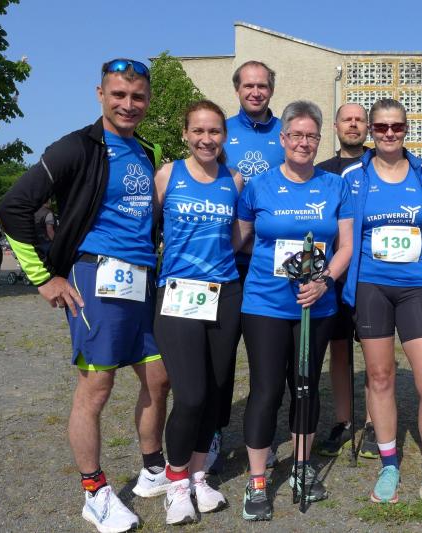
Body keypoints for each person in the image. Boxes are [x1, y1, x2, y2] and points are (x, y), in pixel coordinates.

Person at [0, 58, 170, 533]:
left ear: (147, 100)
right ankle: (94, 493)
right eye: (118, 95)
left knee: (158, 378)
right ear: (100, 95)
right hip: (96, 279)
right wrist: (44, 277)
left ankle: (153, 470)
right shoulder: (75, 147)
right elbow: (13, 207)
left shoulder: (147, 151)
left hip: (143, 280)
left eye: (137, 96)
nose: (128, 104)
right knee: (97, 387)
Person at [236, 100, 353, 521]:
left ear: (319, 140)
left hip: (316, 306)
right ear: (283, 139)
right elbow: (239, 240)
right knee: (266, 389)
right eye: (296, 135)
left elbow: (346, 246)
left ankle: (302, 467)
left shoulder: (335, 186)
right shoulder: (259, 186)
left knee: (305, 386)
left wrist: (324, 281)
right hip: (265, 304)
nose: (304, 143)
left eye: (311, 136)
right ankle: (258, 479)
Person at [341, 98, 422, 517]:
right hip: (371, 286)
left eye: (397, 126)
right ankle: (389, 464)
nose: (389, 133)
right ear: (371, 131)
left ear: (407, 129)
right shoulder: (354, 177)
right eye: (381, 127)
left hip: (414, 287)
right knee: (381, 376)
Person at [153, 100, 244, 525]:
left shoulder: (234, 180)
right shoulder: (167, 175)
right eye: (199, 131)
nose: (207, 139)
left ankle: (198, 474)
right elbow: (147, 229)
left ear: (224, 136)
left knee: (216, 390)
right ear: (185, 134)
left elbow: (238, 236)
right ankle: (175, 482)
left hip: (224, 293)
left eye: (215, 132)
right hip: (178, 294)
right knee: (189, 394)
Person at [204, 60, 286, 473]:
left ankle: (262, 436)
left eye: (262, 86)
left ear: (272, 89)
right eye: (248, 86)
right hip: (227, 261)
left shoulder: (286, 133)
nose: (256, 92)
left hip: (271, 264)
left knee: (266, 362)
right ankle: (214, 432)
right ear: (237, 89)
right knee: (220, 358)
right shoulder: (222, 132)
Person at [314, 102, 378, 460]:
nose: (353, 125)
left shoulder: (378, 164)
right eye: (346, 120)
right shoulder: (322, 171)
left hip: (370, 273)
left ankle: (373, 422)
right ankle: (342, 420)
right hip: (333, 274)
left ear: (367, 126)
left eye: (359, 120)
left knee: (373, 349)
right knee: (339, 350)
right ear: (335, 126)